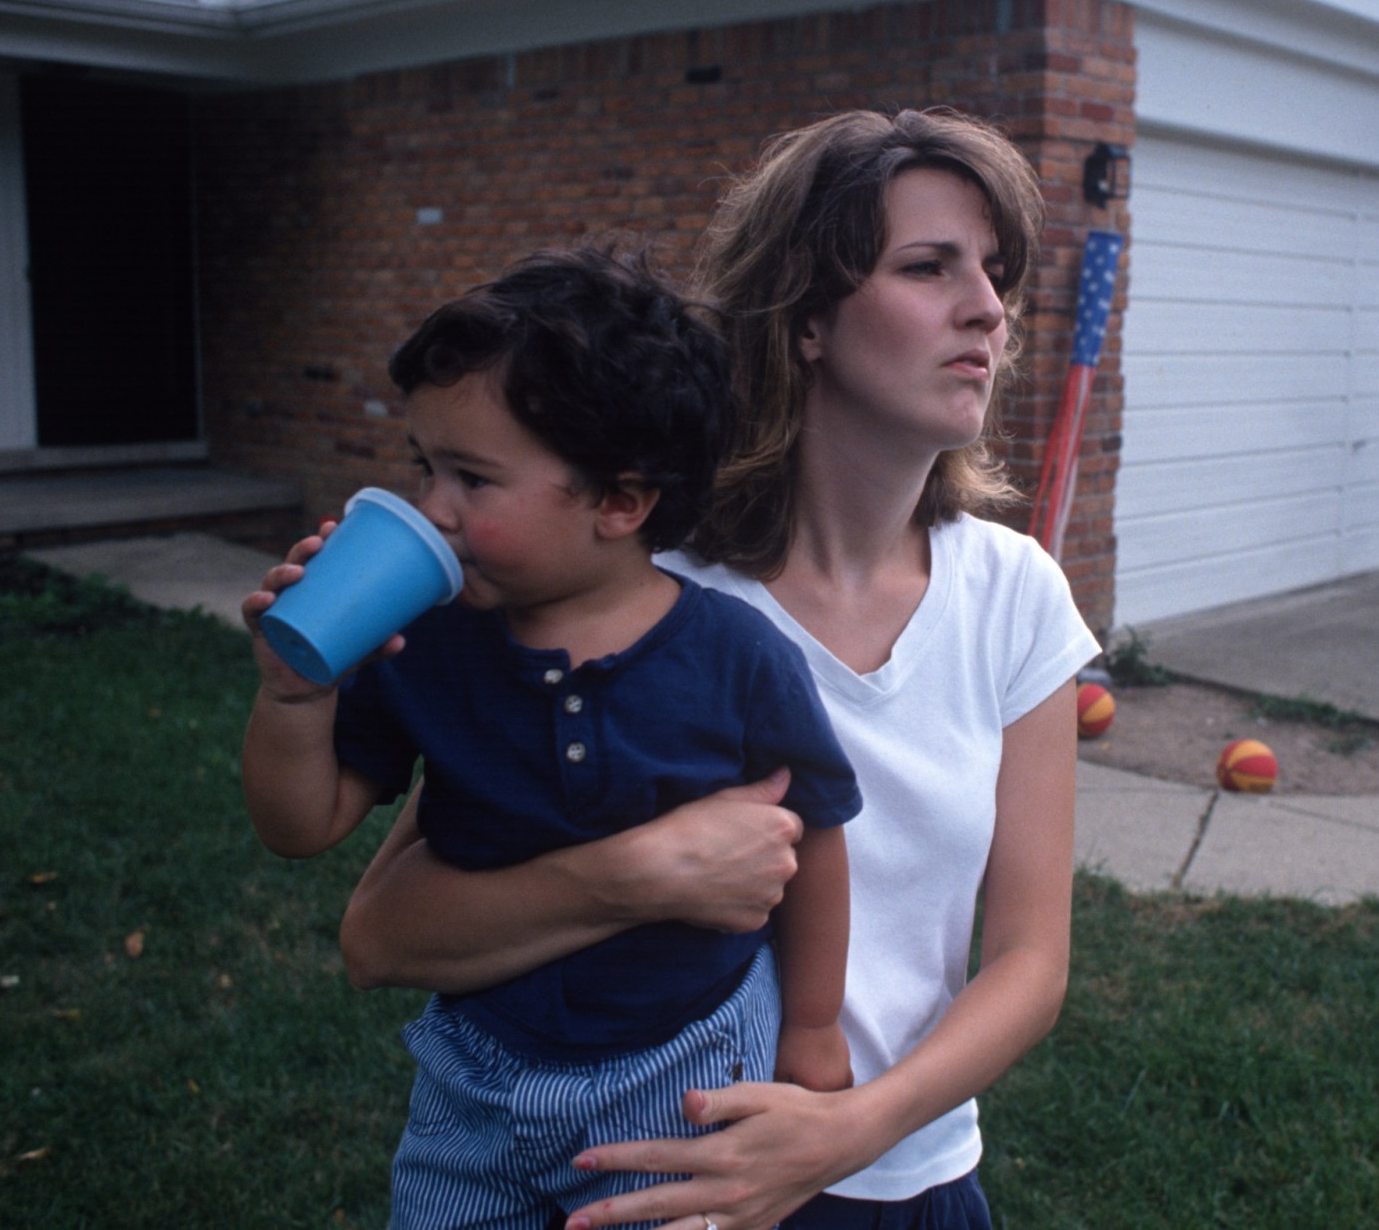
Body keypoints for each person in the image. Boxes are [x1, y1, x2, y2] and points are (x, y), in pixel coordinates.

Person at [338, 108, 1100, 1230]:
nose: (986, 308)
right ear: (804, 320)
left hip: (913, 1174)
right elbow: (382, 932)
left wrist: (848, 1129)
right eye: (927, 267)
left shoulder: (1014, 593)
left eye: (993, 272)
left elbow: (1030, 962)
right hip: (663, 1182)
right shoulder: (645, 598)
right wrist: (638, 874)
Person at [239, 244, 862, 1228]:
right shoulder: (423, 643)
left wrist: (816, 1023)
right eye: (424, 467)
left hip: (682, 1068)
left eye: (472, 480)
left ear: (619, 501)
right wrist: (294, 693)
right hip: (474, 1075)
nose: (431, 507)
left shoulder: (735, 656)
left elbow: (814, 829)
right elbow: (299, 824)